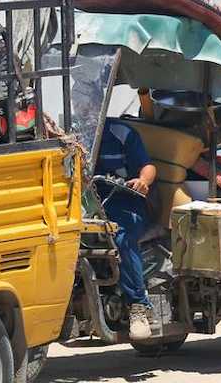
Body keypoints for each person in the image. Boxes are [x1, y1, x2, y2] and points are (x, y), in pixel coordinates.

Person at [95, 119, 158, 342]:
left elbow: (148, 166)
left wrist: (142, 181)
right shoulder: (74, 134)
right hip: (90, 204)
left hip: (126, 201)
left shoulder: (121, 132)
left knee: (120, 237)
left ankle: (139, 307)